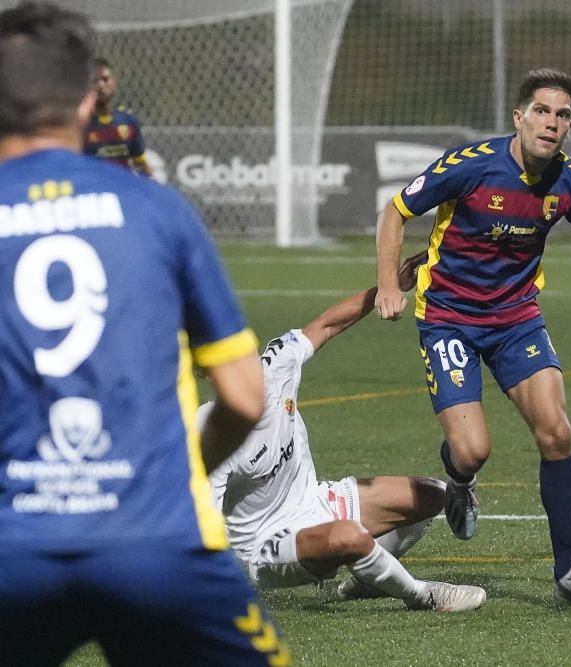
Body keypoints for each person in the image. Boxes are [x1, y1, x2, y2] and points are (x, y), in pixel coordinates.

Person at [0, 3, 287, 664]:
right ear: (84, 103)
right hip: (158, 547)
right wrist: (169, 477)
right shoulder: (155, 208)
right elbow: (246, 396)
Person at [374, 68, 571, 607]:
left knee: (556, 433)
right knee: (472, 450)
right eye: (543, 112)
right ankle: (459, 479)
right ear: (520, 117)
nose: (551, 123)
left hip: (516, 320)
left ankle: (569, 569)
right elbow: (396, 211)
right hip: (448, 317)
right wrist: (389, 285)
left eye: (563, 115)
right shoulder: (471, 165)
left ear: (570, 126)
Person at [200, 251, 487, 613]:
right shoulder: (208, 431)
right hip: (265, 548)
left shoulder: (276, 365)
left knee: (433, 496)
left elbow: (326, 324)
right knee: (350, 536)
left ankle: (367, 581)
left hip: (313, 502)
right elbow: (199, 525)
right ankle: (422, 596)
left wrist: (388, 286)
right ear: (210, 374)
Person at [82, 56, 152, 176]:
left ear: (114, 82)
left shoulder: (128, 121)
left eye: (105, 79)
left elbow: (141, 164)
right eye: (95, 80)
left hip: (123, 189)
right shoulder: (79, 124)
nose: (100, 85)